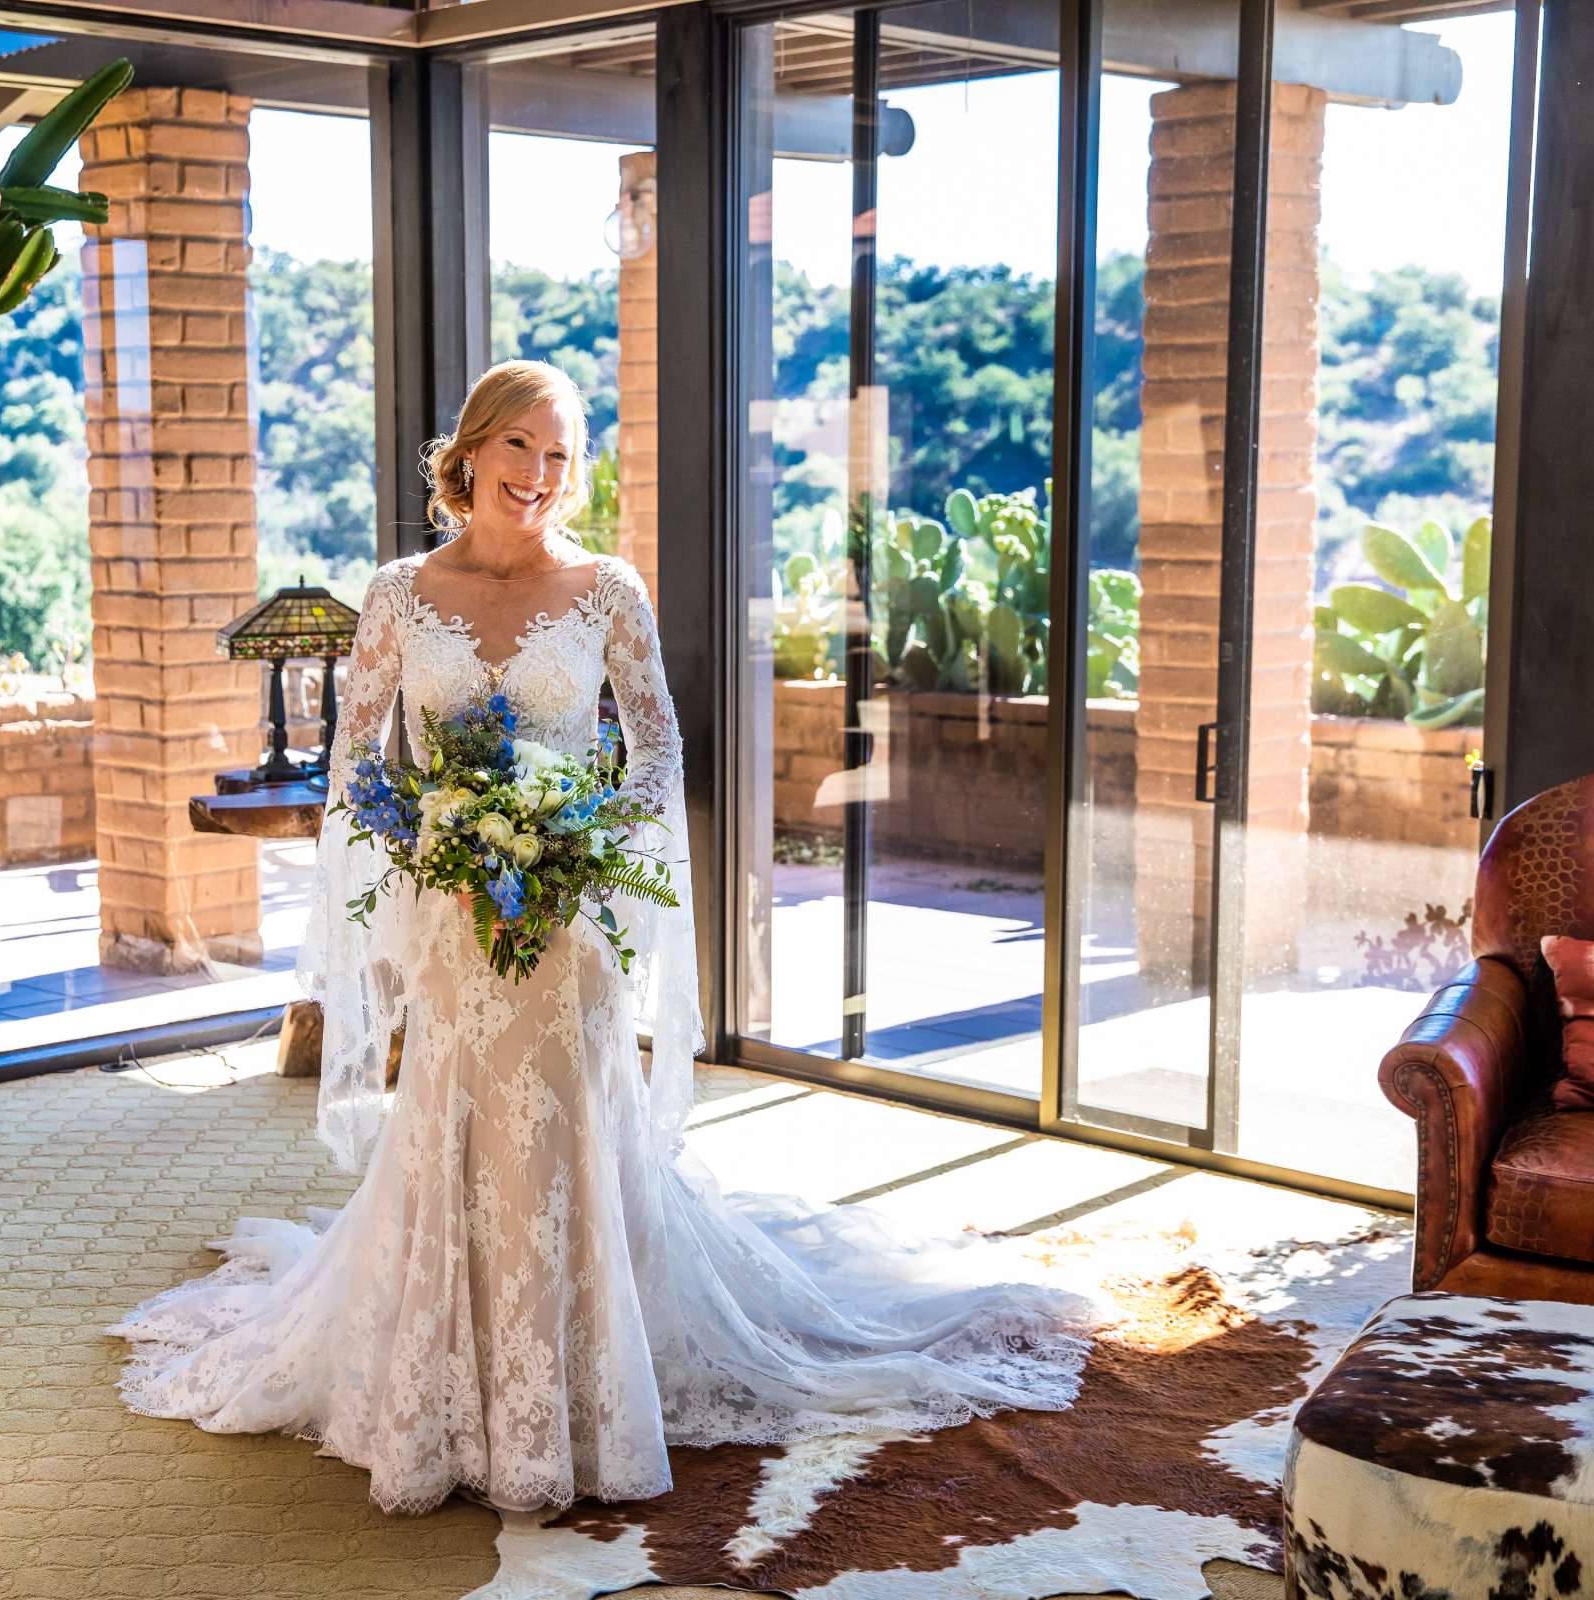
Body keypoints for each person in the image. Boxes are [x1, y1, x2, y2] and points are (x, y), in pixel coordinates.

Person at [106, 359, 1095, 1516]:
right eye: (520, 446)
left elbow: (659, 750)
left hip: (564, 919)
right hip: (456, 921)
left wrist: (581, 850)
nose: (537, 475)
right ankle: (447, 1389)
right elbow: (356, 762)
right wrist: (434, 852)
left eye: (560, 454)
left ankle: (579, 1383)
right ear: (470, 452)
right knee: (449, 1124)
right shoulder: (397, 593)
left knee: (569, 1128)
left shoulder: (607, 589)